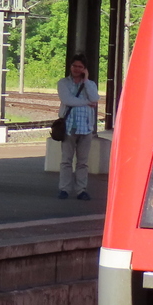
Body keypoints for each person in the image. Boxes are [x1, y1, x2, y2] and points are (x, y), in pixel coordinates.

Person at [57, 54, 99, 200]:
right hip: (69, 127)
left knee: (82, 162)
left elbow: (95, 98)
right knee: (66, 160)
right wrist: (86, 102)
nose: (76, 69)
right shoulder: (63, 83)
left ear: (84, 69)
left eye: (80, 67)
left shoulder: (90, 84)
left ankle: (81, 190)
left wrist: (86, 80)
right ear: (70, 66)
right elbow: (67, 100)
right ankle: (64, 189)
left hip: (86, 128)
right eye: (74, 66)